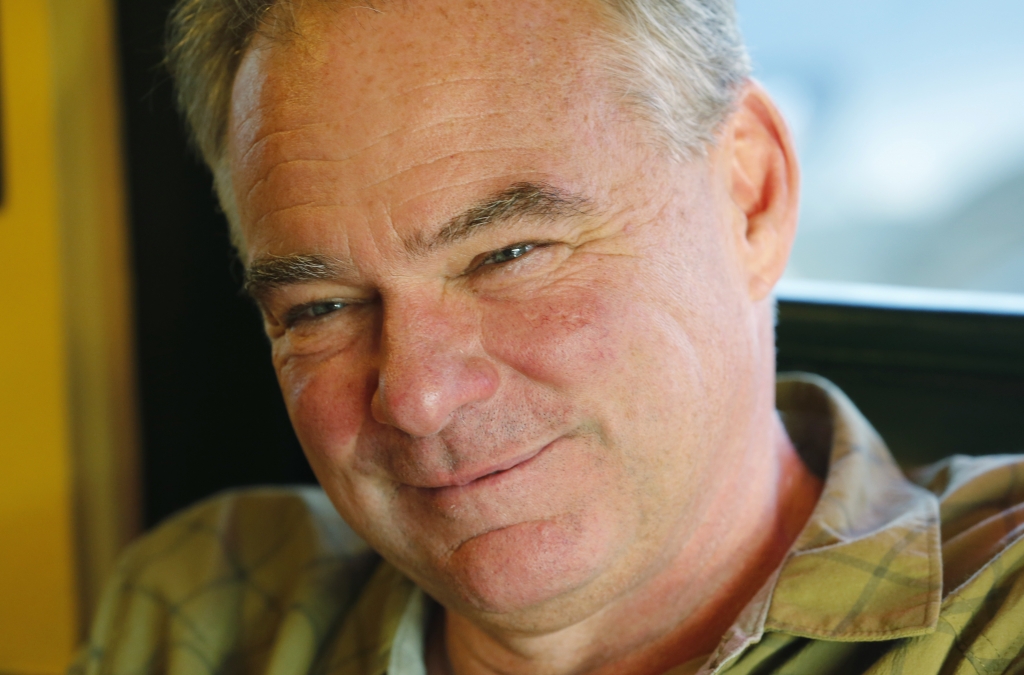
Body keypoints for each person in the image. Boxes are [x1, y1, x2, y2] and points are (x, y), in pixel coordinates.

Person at [74, 1, 1024, 673]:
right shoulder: (199, 606)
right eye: (321, 306)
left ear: (750, 195)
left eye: (509, 251)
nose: (416, 395)